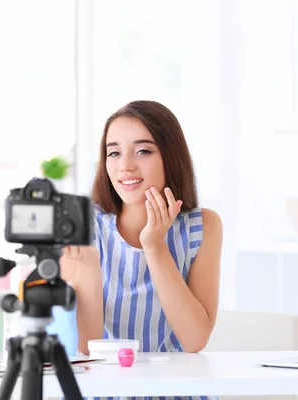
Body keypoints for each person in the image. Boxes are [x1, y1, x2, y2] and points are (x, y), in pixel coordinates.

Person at [60, 100, 223, 384]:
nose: (125, 166)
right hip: (103, 389)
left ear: (170, 156)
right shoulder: (81, 224)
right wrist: (87, 264)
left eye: (143, 151)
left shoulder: (203, 226)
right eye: (114, 153)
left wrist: (155, 245)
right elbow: (84, 348)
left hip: (175, 390)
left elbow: (194, 339)